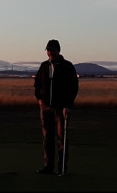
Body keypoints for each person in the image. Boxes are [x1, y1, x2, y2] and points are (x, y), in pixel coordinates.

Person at [34, 39, 78, 175]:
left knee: (61, 139)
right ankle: (48, 166)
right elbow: (37, 83)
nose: (49, 53)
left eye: (52, 50)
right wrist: (39, 98)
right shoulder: (44, 66)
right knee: (47, 137)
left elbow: (73, 87)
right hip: (46, 107)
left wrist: (68, 105)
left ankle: (62, 168)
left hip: (61, 108)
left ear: (58, 50)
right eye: (48, 50)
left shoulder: (67, 66)